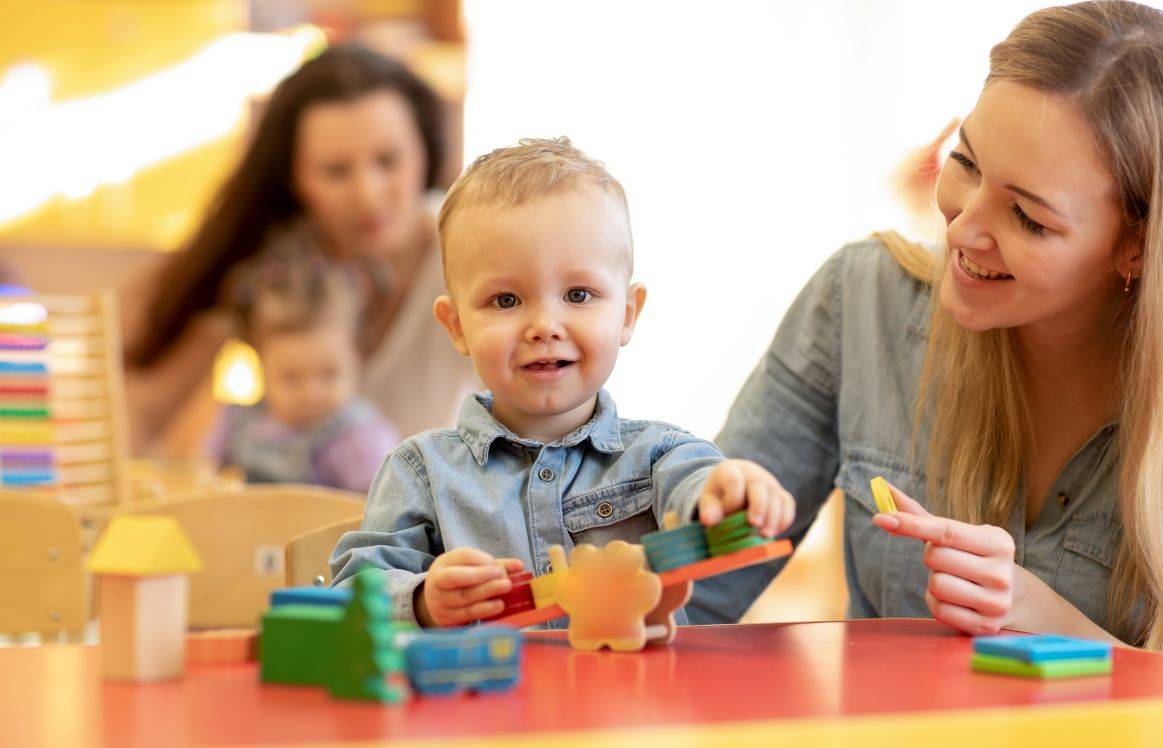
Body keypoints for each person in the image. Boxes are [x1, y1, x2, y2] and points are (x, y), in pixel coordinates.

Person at [688, 1, 1163, 655]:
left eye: (1027, 217)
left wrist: (1055, 623)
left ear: (1138, 245)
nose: (960, 229)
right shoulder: (860, 300)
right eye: (967, 164)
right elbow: (698, 579)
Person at [329, 138, 795, 627]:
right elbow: (353, 592)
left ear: (627, 315)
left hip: (632, 700)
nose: (544, 325)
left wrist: (731, 489)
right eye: (506, 300)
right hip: (488, 698)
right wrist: (422, 601)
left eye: (578, 294)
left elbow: (700, 487)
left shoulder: (660, 454)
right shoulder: (420, 471)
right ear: (457, 327)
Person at [122, 44, 477, 456]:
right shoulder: (271, 267)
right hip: (297, 511)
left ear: (425, 151)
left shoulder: (471, 250)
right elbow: (143, 410)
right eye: (335, 171)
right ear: (294, 178)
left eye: (388, 160)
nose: (368, 193)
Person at [206, 235, 398, 493]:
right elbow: (204, 476)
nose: (311, 393)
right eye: (290, 378)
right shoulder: (238, 421)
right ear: (261, 365)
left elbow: (381, 510)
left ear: (357, 359)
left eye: (329, 375)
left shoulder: (359, 437)